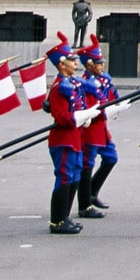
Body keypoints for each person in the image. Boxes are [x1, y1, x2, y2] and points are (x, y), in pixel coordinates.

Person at [45, 33, 97, 234]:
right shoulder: (60, 87)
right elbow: (61, 117)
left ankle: (64, 217)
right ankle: (57, 221)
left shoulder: (73, 84)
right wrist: (82, 116)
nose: (76, 63)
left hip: (74, 138)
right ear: (61, 64)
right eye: (72, 60)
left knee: (74, 177)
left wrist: (87, 115)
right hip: (63, 140)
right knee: (65, 177)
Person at [76, 36, 128, 219]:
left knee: (111, 158)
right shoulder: (84, 84)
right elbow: (90, 109)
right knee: (86, 165)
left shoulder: (103, 80)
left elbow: (112, 97)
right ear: (89, 65)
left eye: (102, 62)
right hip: (90, 130)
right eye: (98, 63)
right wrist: (111, 110)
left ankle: (92, 192)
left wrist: (118, 104)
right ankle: (84, 205)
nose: (101, 65)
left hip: (102, 130)